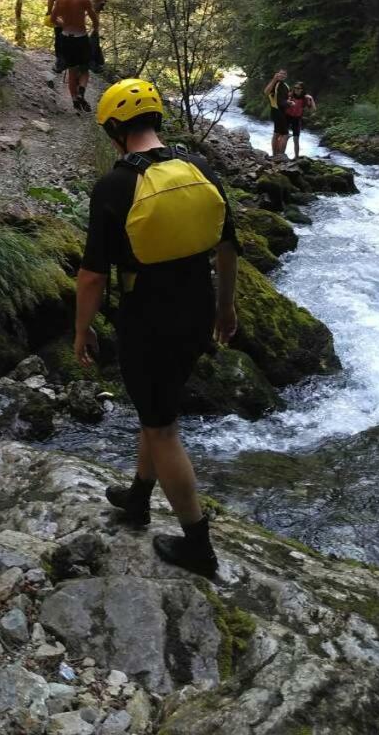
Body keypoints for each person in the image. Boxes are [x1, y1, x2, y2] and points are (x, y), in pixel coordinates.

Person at [74, 78, 239, 576]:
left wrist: (80, 332)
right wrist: (225, 309)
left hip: (147, 317)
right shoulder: (200, 168)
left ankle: (197, 545)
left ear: (115, 131)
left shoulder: (114, 186)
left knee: (162, 427)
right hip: (198, 308)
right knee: (157, 411)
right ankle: (139, 498)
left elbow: (92, 277)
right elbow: (228, 248)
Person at [51, 0, 98, 112]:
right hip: (81, 38)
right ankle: (81, 93)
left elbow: (53, 19)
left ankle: (74, 99)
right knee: (84, 69)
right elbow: (94, 18)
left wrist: (63, 24)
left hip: (66, 37)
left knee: (72, 71)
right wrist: (95, 29)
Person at [46, 0, 87, 82]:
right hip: (77, 11)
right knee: (77, 35)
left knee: (59, 35)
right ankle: (77, 65)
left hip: (61, 9)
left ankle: (60, 63)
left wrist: (49, 11)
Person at [285, 81, 316, 160]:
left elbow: (313, 109)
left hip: (297, 119)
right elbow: (284, 103)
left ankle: (296, 157)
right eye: (295, 88)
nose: (296, 89)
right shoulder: (291, 95)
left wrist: (311, 99)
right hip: (287, 117)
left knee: (296, 139)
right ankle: (280, 155)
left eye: (298, 88)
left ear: (302, 89)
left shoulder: (305, 98)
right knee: (284, 136)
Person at [263, 69, 290, 160]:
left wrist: (289, 103)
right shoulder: (275, 83)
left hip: (284, 111)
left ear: (286, 76)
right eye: (280, 73)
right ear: (277, 74)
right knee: (285, 134)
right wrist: (274, 80)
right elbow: (266, 92)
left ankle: (276, 155)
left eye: (284, 74)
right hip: (276, 110)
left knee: (277, 133)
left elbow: (286, 98)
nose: (282, 75)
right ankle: (280, 156)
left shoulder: (286, 86)